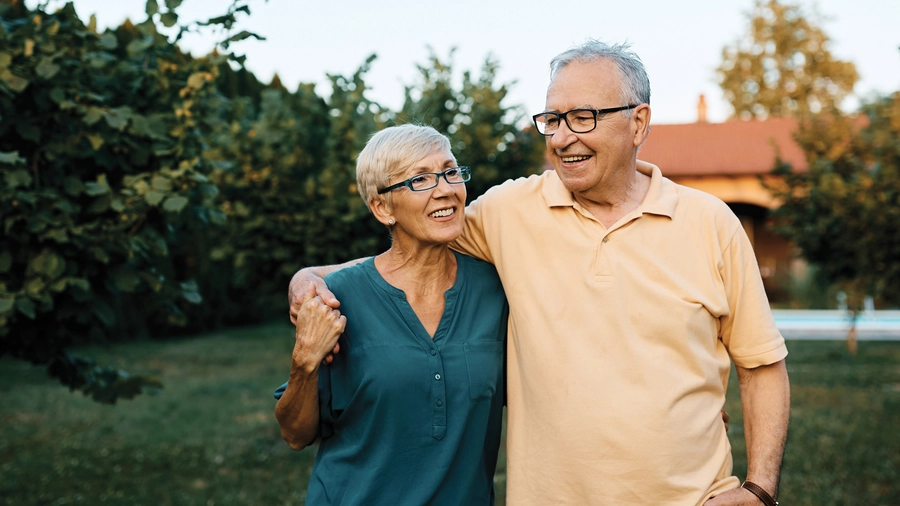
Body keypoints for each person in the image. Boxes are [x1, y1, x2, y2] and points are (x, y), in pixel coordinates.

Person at [290, 41, 790, 506]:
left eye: (584, 117)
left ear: (638, 123)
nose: (563, 137)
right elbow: (410, 251)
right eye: (553, 119)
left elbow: (761, 364)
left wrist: (760, 487)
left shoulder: (710, 223)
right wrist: (308, 278)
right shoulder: (510, 211)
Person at [274, 124, 508, 505]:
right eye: (420, 179)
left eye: (450, 172)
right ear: (382, 208)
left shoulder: (495, 290)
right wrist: (304, 363)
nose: (446, 189)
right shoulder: (340, 297)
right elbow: (295, 435)